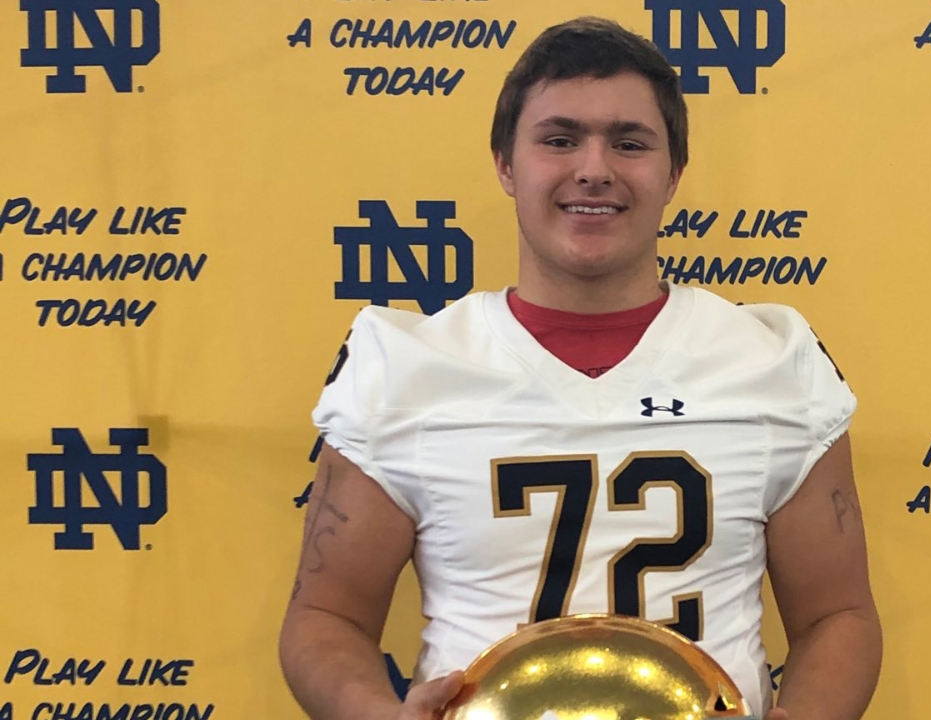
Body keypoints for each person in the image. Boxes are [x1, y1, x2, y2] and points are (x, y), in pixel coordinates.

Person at [279, 15, 881, 720]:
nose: (594, 168)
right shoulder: (411, 368)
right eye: (559, 139)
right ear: (506, 165)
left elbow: (837, 614)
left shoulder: (767, 359)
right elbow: (327, 615)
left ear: (673, 173)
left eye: (629, 142)